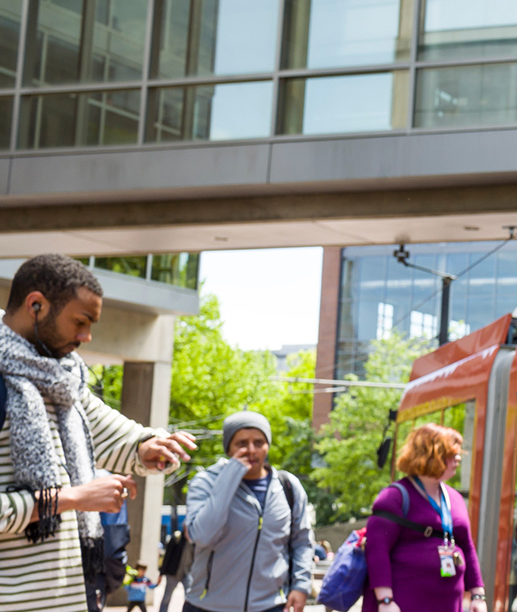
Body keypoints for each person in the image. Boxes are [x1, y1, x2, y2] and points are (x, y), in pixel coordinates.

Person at [0, 254, 198, 612]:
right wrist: (73, 498)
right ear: (36, 305)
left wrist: (147, 445)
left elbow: (114, 433)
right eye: (80, 321)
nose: (87, 337)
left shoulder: (63, 383)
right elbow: (74, 493)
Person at [182, 412, 316, 612]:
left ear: (267, 446)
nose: (251, 450)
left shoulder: (288, 486)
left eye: (259, 442)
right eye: (242, 444)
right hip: (207, 605)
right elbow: (202, 535)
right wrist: (231, 475)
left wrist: (301, 585)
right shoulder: (206, 482)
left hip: (271, 606)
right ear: (228, 448)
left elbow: (302, 541)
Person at [364, 424, 484, 612]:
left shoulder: (455, 498)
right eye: (452, 455)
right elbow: (377, 551)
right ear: (431, 456)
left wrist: (478, 595)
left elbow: (467, 547)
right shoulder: (394, 497)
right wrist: (385, 601)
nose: (458, 459)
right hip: (402, 605)